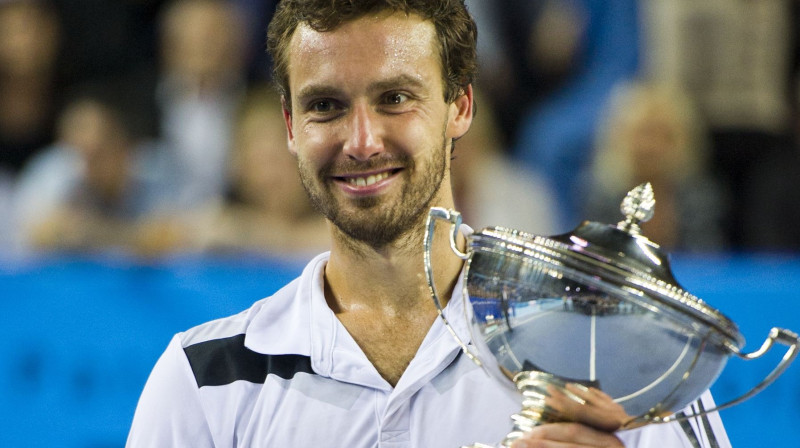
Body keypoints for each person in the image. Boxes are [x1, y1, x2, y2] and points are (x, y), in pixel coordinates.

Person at [127, 1, 730, 447]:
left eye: (395, 98)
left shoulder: (620, 357)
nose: (362, 143)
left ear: (460, 105)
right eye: (326, 106)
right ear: (290, 125)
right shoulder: (204, 381)